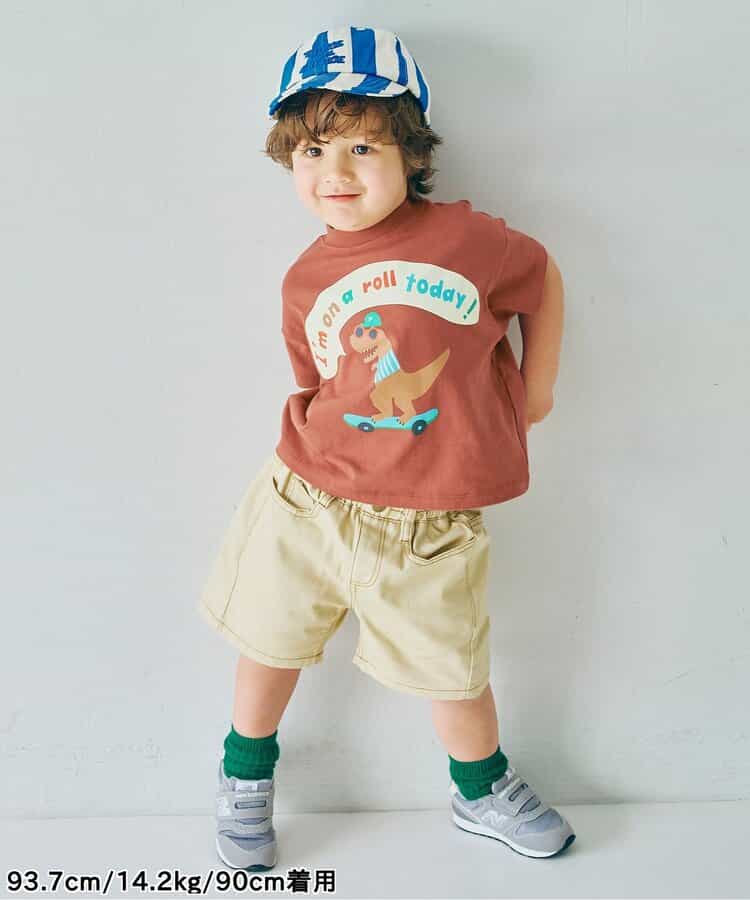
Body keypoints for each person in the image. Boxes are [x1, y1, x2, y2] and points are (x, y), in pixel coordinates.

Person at [199, 25, 574, 871]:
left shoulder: (470, 242)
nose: (335, 172)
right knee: (269, 641)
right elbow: (318, 380)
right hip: (307, 501)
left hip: (431, 523)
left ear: (412, 154)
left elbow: (542, 277)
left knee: (455, 670)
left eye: (363, 147)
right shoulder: (304, 278)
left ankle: (479, 787)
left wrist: (537, 387)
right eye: (313, 151)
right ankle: (244, 772)